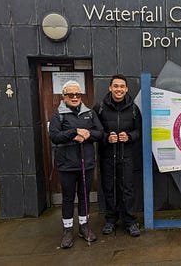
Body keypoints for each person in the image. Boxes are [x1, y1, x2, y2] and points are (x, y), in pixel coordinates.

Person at [49, 80, 103, 249]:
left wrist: (87, 135)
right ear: (64, 96)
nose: (74, 97)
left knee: (84, 197)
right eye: (70, 95)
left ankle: (84, 227)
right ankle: (67, 230)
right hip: (67, 164)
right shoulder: (59, 114)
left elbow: (100, 133)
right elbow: (54, 136)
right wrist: (74, 133)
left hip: (86, 163)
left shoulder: (90, 113)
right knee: (67, 198)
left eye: (77, 94)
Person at [95, 74, 142, 237]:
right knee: (109, 189)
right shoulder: (100, 107)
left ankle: (130, 222)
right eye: (116, 86)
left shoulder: (134, 108)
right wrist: (106, 137)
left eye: (122, 86)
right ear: (110, 88)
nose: (119, 89)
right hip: (107, 156)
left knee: (127, 189)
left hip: (127, 156)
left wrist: (129, 137)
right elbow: (96, 131)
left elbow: (139, 131)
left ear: (126, 89)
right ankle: (110, 221)